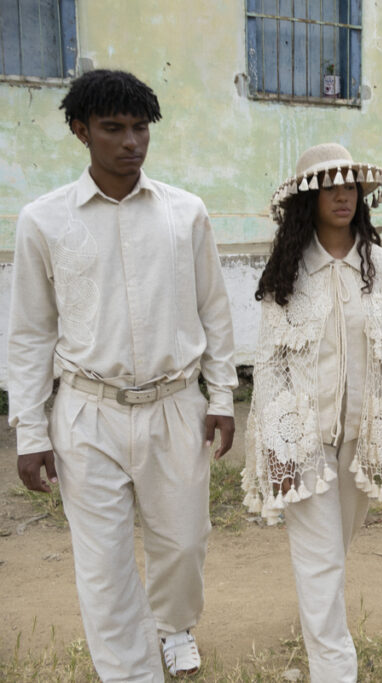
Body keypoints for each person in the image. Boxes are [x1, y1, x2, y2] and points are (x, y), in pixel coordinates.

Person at [8, 69, 237, 680]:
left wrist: (222, 394)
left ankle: (175, 626)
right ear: (81, 131)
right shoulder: (44, 221)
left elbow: (214, 308)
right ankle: (130, 672)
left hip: (174, 404)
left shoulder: (185, 214)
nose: (130, 141)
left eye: (140, 128)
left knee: (183, 544)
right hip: (87, 412)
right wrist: (30, 431)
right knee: (103, 564)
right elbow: (30, 334)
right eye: (113, 128)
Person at [242, 142, 382, 683]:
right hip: (303, 441)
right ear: (308, 198)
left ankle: (318, 623)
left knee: (331, 557)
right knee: (319, 563)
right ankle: (334, 671)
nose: (343, 194)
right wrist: (276, 445)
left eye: (350, 185)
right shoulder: (288, 271)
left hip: (363, 440)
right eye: (330, 186)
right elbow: (269, 362)